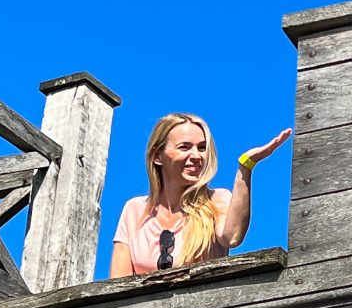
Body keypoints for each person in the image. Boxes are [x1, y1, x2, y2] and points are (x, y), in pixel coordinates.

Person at [108, 113, 290, 276]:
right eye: (184, 147)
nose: (196, 156)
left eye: (202, 148)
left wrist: (246, 166)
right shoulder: (135, 210)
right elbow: (117, 283)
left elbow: (232, 237)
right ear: (157, 156)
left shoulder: (216, 200)